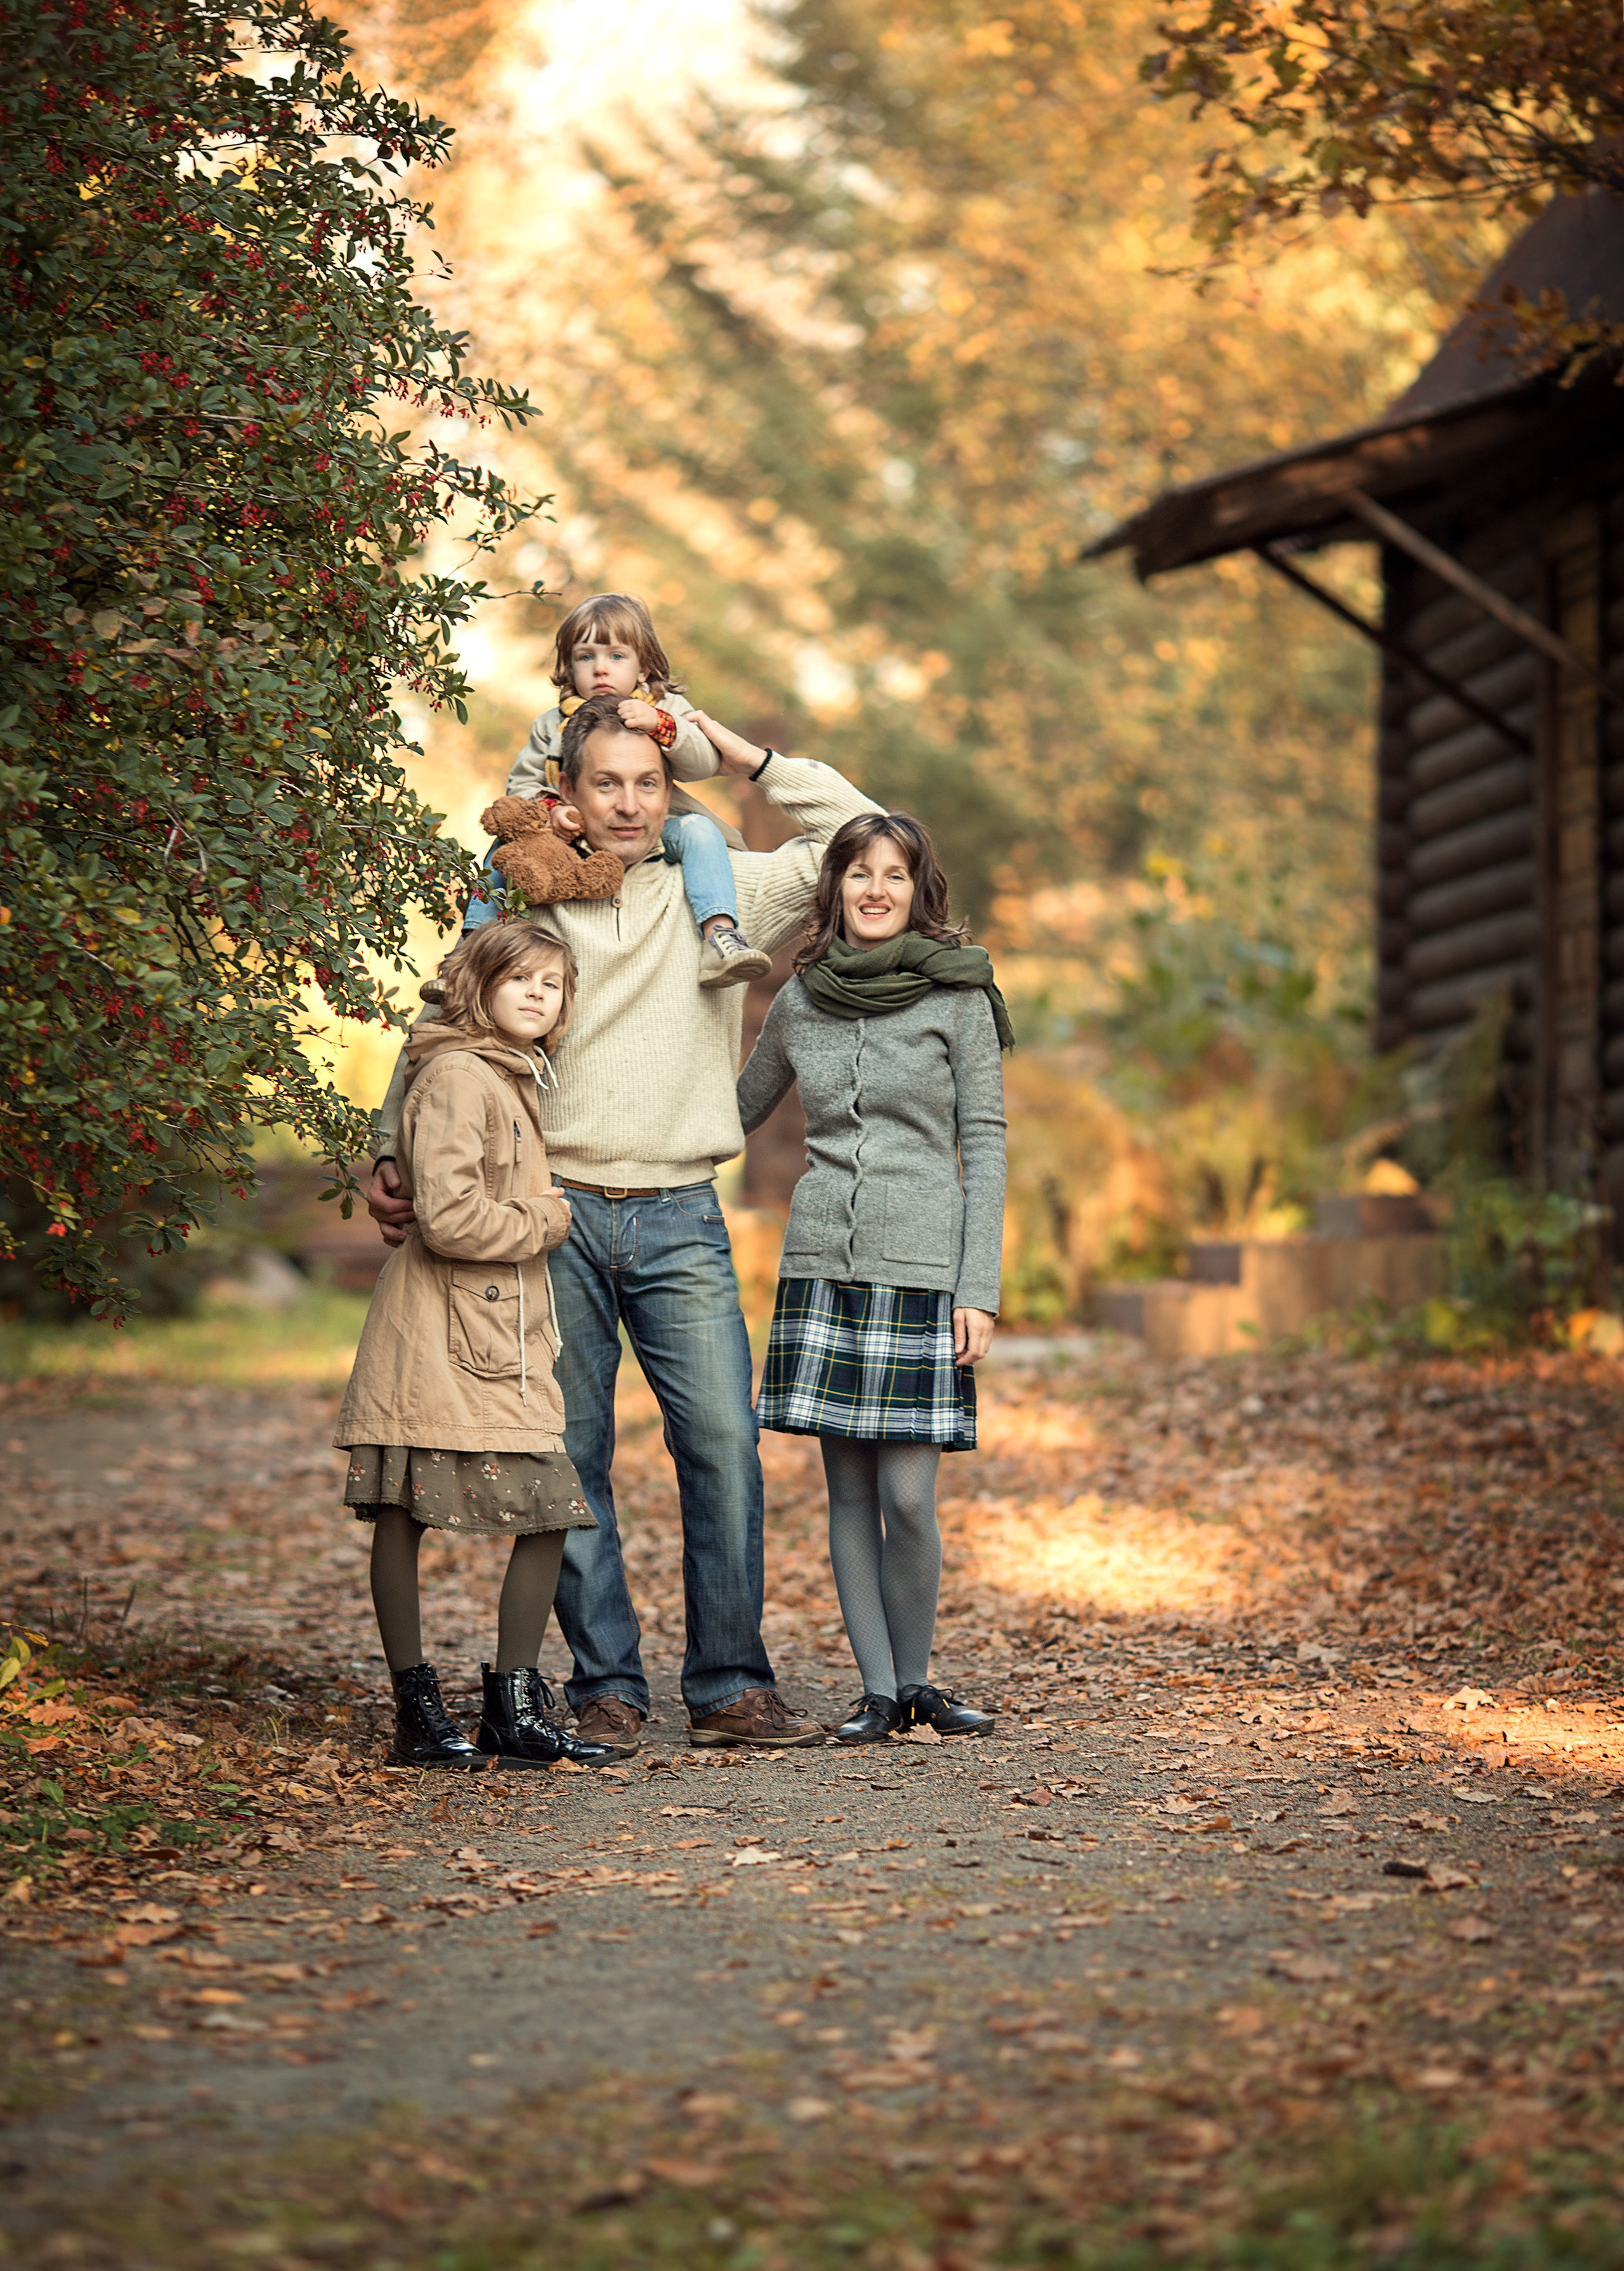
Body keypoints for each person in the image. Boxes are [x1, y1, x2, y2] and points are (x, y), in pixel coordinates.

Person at [366, 691, 886, 1753]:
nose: (630, 803)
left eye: (649, 782)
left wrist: (735, 751)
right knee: (572, 1457)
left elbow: (856, 833)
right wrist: (390, 1143)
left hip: (682, 1212)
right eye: (606, 782)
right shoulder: (531, 895)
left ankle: (731, 1689)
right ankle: (604, 1686)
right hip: (549, 1216)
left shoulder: (723, 891)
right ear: (568, 791)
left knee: (723, 1448)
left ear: (670, 786)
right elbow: (445, 1012)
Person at [737, 813, 1009, 1744]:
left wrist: (978, 1287)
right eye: (860, 873)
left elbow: (986, 1143)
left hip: (926, 1270)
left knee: (907, 1498)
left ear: (918, 889)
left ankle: (919, 1679)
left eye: (895, 874)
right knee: (849, 1495)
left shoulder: (959, 995)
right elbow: (734, 1111)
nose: (877, 889)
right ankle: (880, 1691)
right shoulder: (800, 999)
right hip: (824, 1268)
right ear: (837, 888)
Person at [334, 920, 616, 1771]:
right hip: (437, 1327)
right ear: (479, 986)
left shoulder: (508, 1073)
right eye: (519, 977)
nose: (537, 993)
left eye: (552, 984)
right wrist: (547, 1218)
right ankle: (420, 1714)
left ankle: (510, 1711)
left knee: (546, 1508)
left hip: (489, 1328)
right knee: (409, 1508)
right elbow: (451, 1219)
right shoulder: (460, 1074)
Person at [466, 592, 771, 990]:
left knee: (700, 831)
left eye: (616, 656)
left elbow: (704, 763)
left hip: (656, 827)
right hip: (569, 833)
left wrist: (660, 724)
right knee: (504, 849)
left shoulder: (666, 707)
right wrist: (551, 809)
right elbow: (522, 785)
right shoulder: (550, 725)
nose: (600, 669)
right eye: (585, 657)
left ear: (643, 667)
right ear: (569, 667)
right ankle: (473, 942)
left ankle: (719, 935)